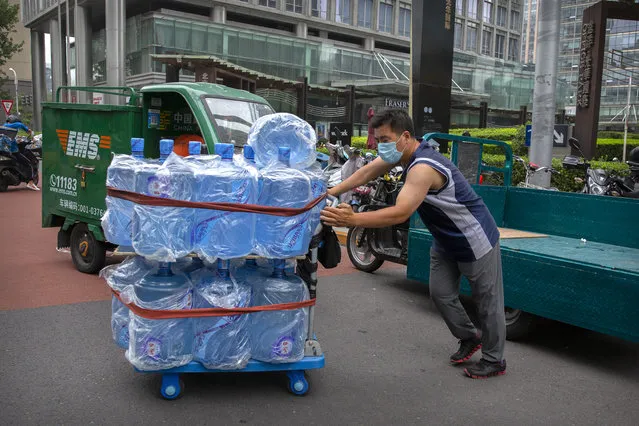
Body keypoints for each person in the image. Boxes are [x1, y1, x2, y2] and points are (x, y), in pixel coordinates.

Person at [320, 109, 506, 379]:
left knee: (488, 302)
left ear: (405, 136)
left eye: (385, 138)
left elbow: (401, 212)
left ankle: (494, 360)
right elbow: (369, 170)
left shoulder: (422, 168)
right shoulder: (406, 153)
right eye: (377, 139)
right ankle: (469, 336)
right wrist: (331, 191)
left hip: (474, 238)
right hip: (445, 239)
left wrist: (353, 219)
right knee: (440, 293)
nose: (380, 145)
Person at [3, 115, 39, 191]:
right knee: (28, 164)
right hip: (12, 151)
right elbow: (20, 125)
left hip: (3, 151)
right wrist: (28, 130)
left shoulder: (4, 127)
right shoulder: (15, 125)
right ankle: (30, 183)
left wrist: (16, 140)